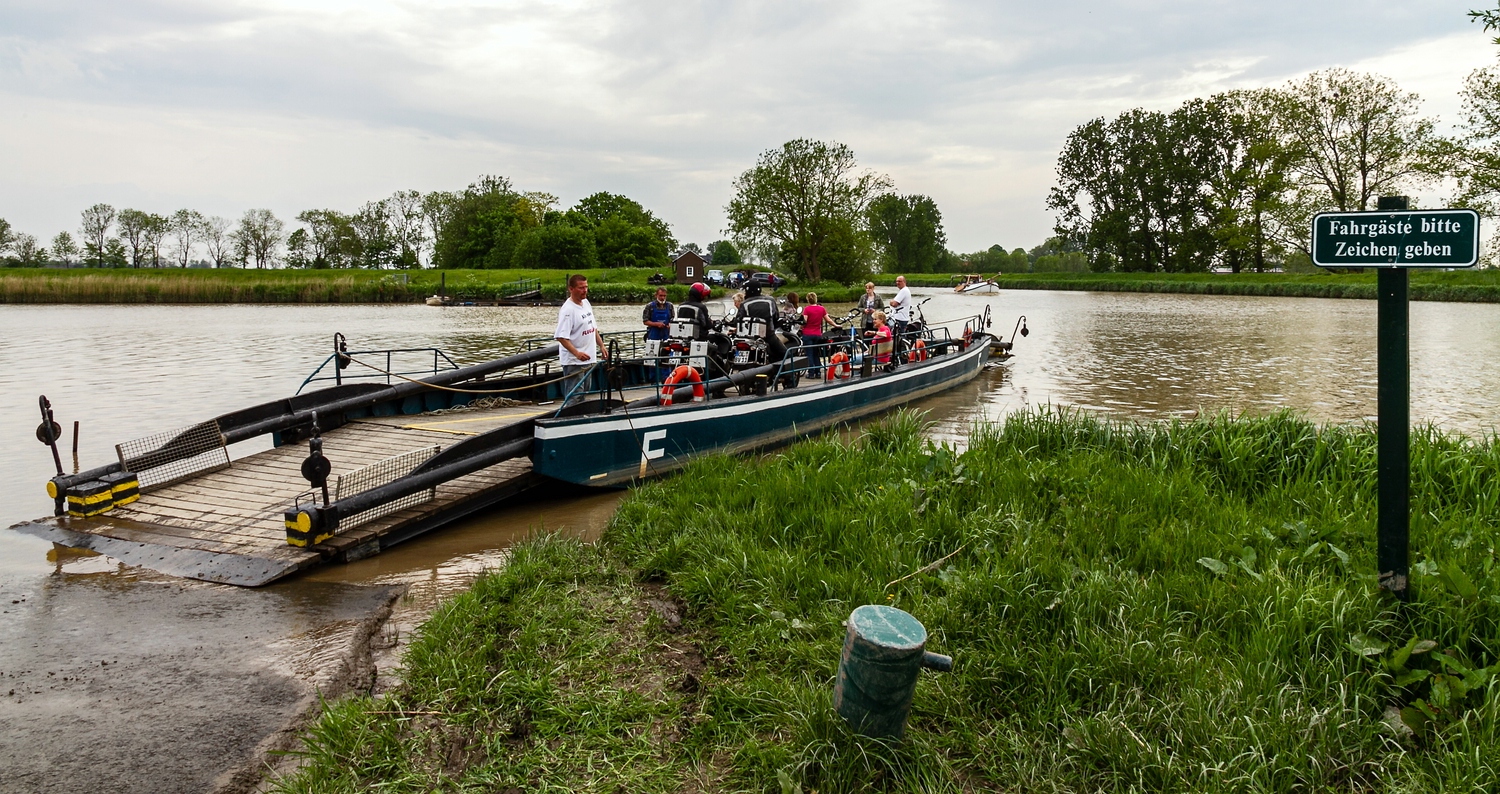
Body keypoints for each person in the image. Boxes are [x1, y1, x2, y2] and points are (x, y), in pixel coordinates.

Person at [555, 273, 606, 406]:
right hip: (574, 361)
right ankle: (569, 419)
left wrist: (601, 345)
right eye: (581, 288)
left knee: (584, 393)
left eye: (586, 287)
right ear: (571, 289)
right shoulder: (568, 310)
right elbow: (561, 337)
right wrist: (577, 353)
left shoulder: (586, 303)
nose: (585, 291)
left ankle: (579, 418)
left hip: (588, 357)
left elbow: (593, 327)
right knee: (574, 395)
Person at [800, 292, 828, 373]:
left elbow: (804, 321)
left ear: (808, 300)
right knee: (816, 353)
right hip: (817, 334)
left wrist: (801, 326)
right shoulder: (821, 308)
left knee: (809, 353)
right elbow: (828, 319)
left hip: (808, 334)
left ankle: (811, 372)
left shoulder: (807, 309)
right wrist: (836, 325)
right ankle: (818, 371)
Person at [888, 275, 911, 362]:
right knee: (900, 337)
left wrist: (891, 301)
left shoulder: (904, 291)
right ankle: (902, 355)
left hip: (899, 318)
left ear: (904, 282)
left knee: (898, 338)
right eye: (896, 281)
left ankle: (900, 356)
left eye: (899, 281)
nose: (897, 283)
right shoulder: (904, 291)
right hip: (902, 317)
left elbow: (894, 303)